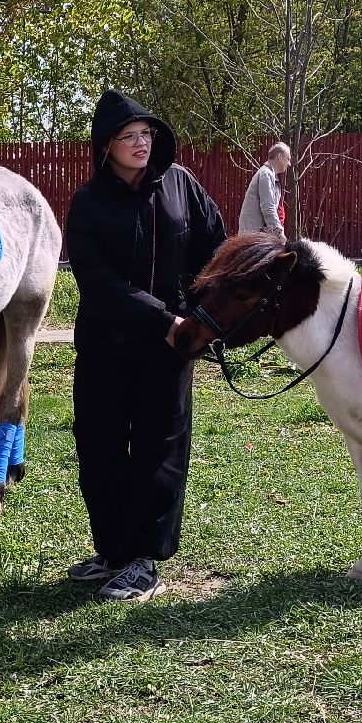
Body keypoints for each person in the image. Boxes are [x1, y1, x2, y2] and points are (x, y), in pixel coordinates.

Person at [64, 90, 227, 602]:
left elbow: (215, 249)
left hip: (169, 350)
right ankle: (113, 552)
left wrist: (196, 315)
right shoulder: (88, 203)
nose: (141, 144)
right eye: (128, 137)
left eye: (146, 134)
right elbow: (97, 281)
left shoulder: (181, 186)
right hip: (105, 347)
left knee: (160, 449)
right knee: (99, 447)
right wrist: (160, 317)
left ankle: (143, 560)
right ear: (106, 146)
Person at [237, 142, 290, 236]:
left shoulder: (270, 175)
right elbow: (268, 207)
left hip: (257, 236)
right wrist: (278, 231)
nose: (289, 164)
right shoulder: (266, 174)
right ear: (279, 157)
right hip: (252, 238)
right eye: (288, 159)